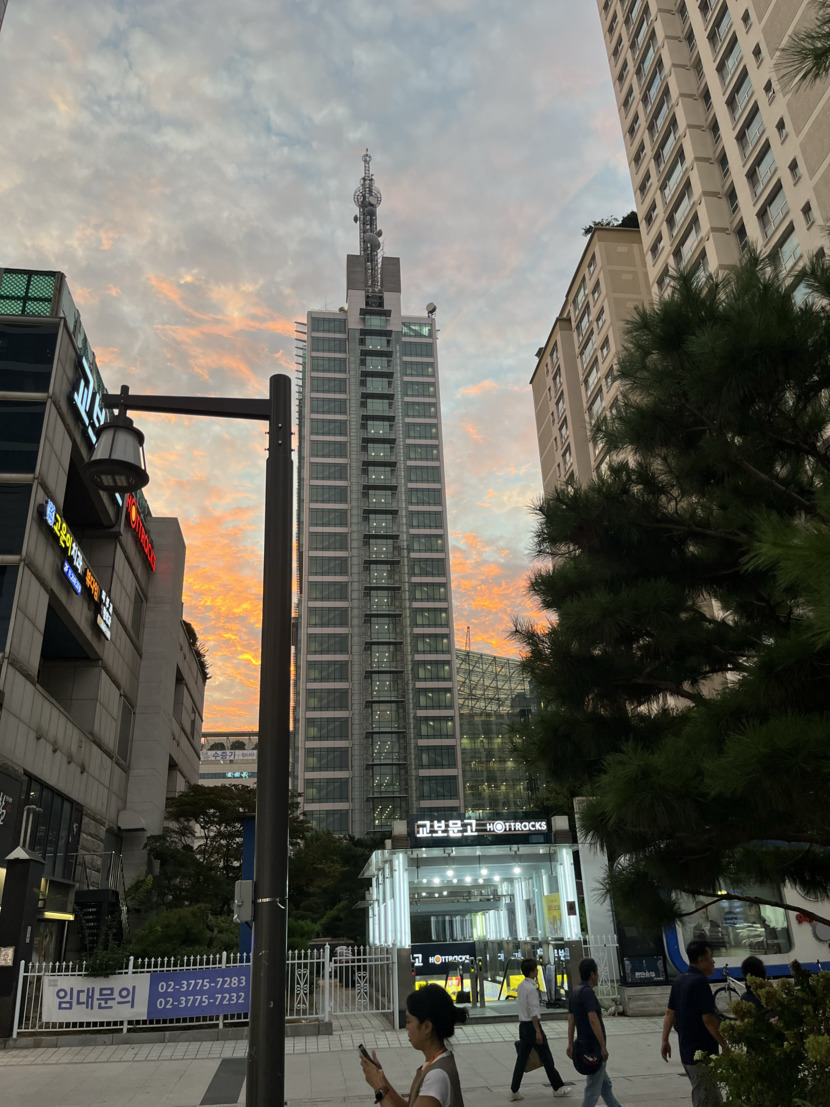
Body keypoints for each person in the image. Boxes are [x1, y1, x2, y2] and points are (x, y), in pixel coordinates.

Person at [360, 983, 466, 1106]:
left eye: (409, 1021)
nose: (407, 1028)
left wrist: (378, 1086)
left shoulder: (437, 1077)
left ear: (427, 1027)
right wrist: (381, 1080)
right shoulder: (435, 1064)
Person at [661, 940, 729, 1107]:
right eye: (710, 957)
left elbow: (670, 1014)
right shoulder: (699, 982)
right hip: (702, 1053)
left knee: (712, 1097)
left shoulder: (679, 980)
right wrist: (724, 1044)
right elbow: (708, 1019)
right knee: (705, 1098)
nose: (713, 962)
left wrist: (665, 1040)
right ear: (701, 959)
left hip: (686, 1051)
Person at [509, 957, 573, 1100]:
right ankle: (558, 1087)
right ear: (532, 972)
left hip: (523, 1026)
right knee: (546, 1058)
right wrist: (538, 1031)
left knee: (522, 1060)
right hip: (532, 1027)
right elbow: (533, 1012)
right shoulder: (531, 989)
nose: (537, 971)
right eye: (536, 969)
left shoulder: (521, 986)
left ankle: (514, 1090)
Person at [566, 958, 623, 1107]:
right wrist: (602, 1046)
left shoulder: (575, 992)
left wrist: (570, 1044)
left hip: (583, 1045)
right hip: (592, 1048)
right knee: (592, 1092)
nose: (598, 976)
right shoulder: (588, 993)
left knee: (605, 1086)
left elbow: (571, 1020)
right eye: (597, 973)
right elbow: (593, 1019)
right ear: (592, 974)